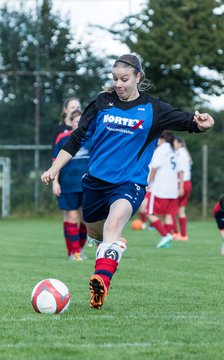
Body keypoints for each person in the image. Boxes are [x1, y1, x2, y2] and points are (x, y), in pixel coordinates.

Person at [41, 53, 214, 309]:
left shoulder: (153, 109)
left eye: (124, 79)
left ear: (138, 77)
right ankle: (114, 247)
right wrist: (54, 169)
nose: (119, 84)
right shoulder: (101, 103)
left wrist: (202, 124)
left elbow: (189, 122)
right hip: (95, 183)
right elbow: (76, 138)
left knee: (113, 226)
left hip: (129, 184)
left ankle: (101, 282)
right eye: (115, 79)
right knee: (97, 234)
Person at [52, 109, 91, 261]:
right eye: (76, 121)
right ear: (71, 122)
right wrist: (55, 182)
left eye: (82, 121)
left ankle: (79, 249)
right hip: (68, 184)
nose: (79, 124)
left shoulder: (92, 138)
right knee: (72, 216)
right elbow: (56, 162)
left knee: (87, 220)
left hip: (87, 185)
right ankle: (74, 252)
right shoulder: (63, 138)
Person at [145, 131, 182, 248]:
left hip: (160, 188)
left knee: (149, 212)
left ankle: (165, 235)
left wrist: (148, 183)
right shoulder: (173, 152)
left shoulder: (160, 150)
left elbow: (154, 169)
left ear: (161, 139)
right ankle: (166, 241)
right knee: (168, 214)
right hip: (172, 189)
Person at [172, 135, 193, 241]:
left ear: (179, 143)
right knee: (181, 210)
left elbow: (181, 171)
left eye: (174, 143)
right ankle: (183, 235)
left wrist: (180, 187)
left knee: (172, 210)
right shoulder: (184, 153)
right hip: (187, 183)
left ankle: (175, 233)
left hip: (181, 183)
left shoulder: (179, 154)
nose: (173, 145)